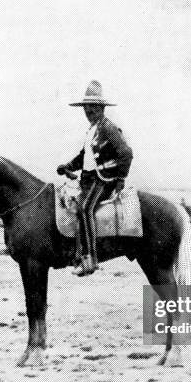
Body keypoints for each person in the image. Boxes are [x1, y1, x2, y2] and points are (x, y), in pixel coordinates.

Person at [57, 80, 133, 276]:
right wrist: (68, 166)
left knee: (85, 208)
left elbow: (126, 153)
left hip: (103, 180)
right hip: (88, 180)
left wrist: (120, 179)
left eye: (93, 106)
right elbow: (84, 157)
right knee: (73, 206)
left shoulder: (108, 128)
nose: (88, 110)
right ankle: (77, 255)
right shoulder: (92, 129)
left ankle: (90, 259)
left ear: (101, 108)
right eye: (86, 107)